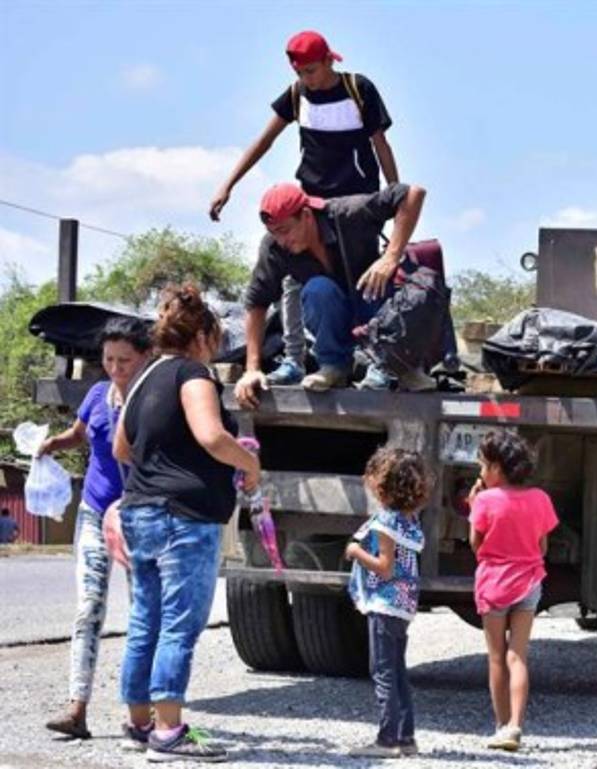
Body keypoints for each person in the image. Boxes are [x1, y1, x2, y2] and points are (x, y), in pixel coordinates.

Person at [105, 284, 261, 761]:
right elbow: (212, 435)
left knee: (145, 619)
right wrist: (249, 466)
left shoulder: (144, 377)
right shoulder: (194, 376)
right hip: (184, 518)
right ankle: (170, 732)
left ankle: (139, 723)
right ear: (205, 336)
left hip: (141, 511)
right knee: (179, 624)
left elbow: (121, 449)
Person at [209, 30, 400, 388]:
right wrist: (228, 184)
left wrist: (389, 196)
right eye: (300, 73)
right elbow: (264, 140)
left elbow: (380, 143)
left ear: (329, 61)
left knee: (366, 276)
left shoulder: (359, 89)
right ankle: (295, 360)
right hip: (312, 201)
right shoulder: (298, 95)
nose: (306, 79)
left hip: (355, 204)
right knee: (294, 279)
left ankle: (376, 360)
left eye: (311, 71)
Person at [39, 319, 151, 740]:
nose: (116, 368)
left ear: (144, 357)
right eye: (108, 360)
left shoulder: (151, 400)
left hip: (139, 522)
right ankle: (76, 708)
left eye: (124, 360)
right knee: (88, 609)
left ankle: (141, 714)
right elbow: (81, 435)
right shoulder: (96, 396)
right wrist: (53, 445)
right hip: (93, 512)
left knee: (143, 615)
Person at [234, 181, 427, 402]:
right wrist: (251, 369)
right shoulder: (275, 248)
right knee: (317, 289)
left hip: (374, 306)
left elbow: (412, 194)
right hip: (336, 316)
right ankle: (334, 366)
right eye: (273, 233)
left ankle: (390, 366)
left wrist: (391, 257)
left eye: (285, 231)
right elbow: (256, 303)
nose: (281, 240)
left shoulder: (349, 212)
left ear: (306, 215)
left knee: (381, 283)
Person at [468, 431, 558, 752]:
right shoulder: (540, 498)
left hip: (494, 583)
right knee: (518, 656)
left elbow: (476, 546)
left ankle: (500, 725)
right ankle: (517, 726)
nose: (480, 471)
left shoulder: (484, 500)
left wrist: (475, 501)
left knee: (495, 658)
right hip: (530, 581)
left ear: (495, 467)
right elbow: (542, 545)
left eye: (482, 465)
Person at [344, 447, 429, 758]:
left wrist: (355, 552)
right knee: (397, 671)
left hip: (384, 602)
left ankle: (387, 738)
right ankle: (406, 737)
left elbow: (384, 566)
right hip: (404, 605)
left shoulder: (384, 523)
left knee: (382, 671)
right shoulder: (410, 520)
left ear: (380, 487)